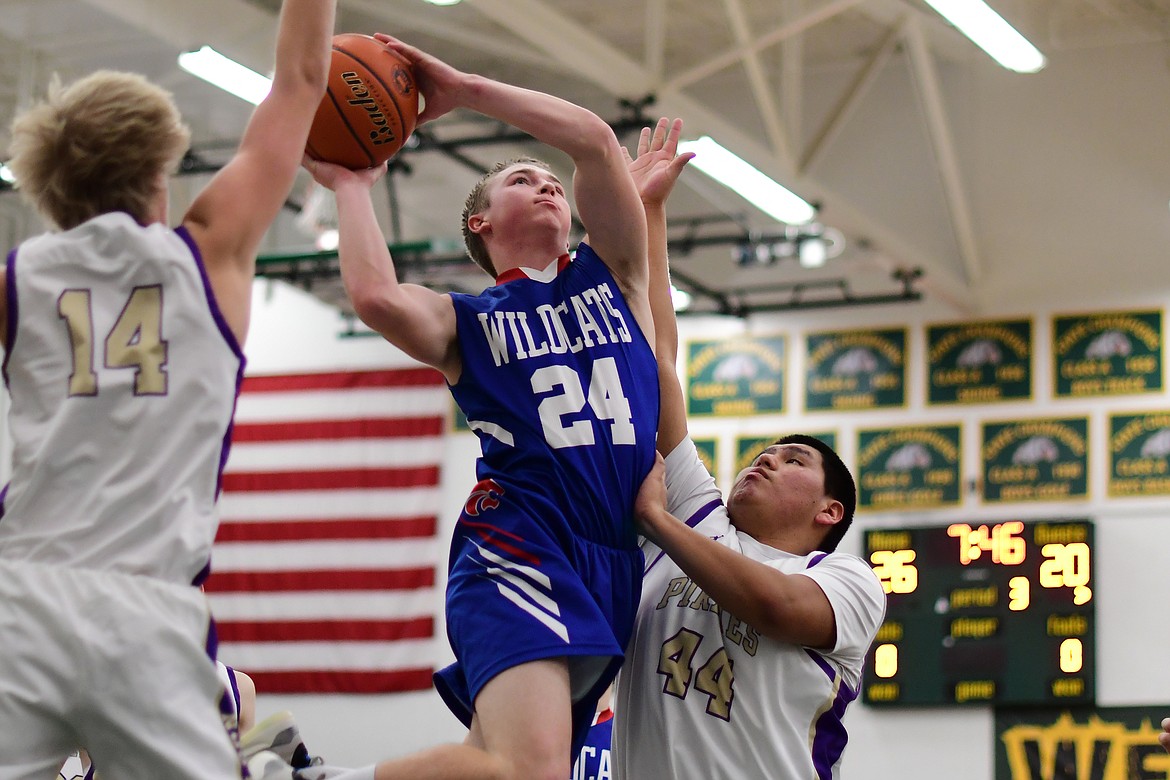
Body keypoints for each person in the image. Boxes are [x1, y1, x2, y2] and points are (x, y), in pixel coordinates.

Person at [296, 32, 659, 780]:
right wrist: (354, 187)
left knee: (494, 766)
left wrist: (462, 89)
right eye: (524, 181)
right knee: (533, 770)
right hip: (517, 543)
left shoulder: (616, 275)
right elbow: (375, 296)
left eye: (550, 181)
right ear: (481, 225)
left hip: (610, 560)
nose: (549, 185)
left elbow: (593, 139)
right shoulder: (468, 321)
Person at [0, 0, 336, 777]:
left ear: (48, 187)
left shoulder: (16, 283)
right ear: (161, 170)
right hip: (145, 608)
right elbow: (301, 80)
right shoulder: (209, 253)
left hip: (23, 599)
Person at [610, 118, 888, 779]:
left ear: (829, 512)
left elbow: (773, 608)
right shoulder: (704, 517)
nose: (767, 457)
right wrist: (647, 213)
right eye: (769, 450)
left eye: (795, 461)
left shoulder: (847, 582)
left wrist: (654, 520)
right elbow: (658, 364)